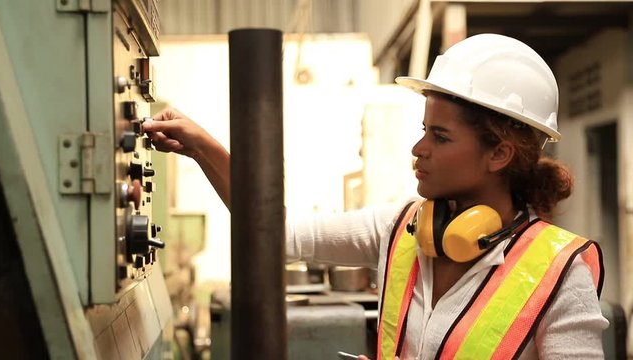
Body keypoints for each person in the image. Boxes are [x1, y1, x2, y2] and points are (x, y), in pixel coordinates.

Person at [143, 33, 607, 359]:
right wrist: (203, 147)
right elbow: (276, 234)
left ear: (499, 153)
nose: (418, 149)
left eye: (440, 137)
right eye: (424, 130)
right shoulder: (400, 229)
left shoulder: (559, 273)